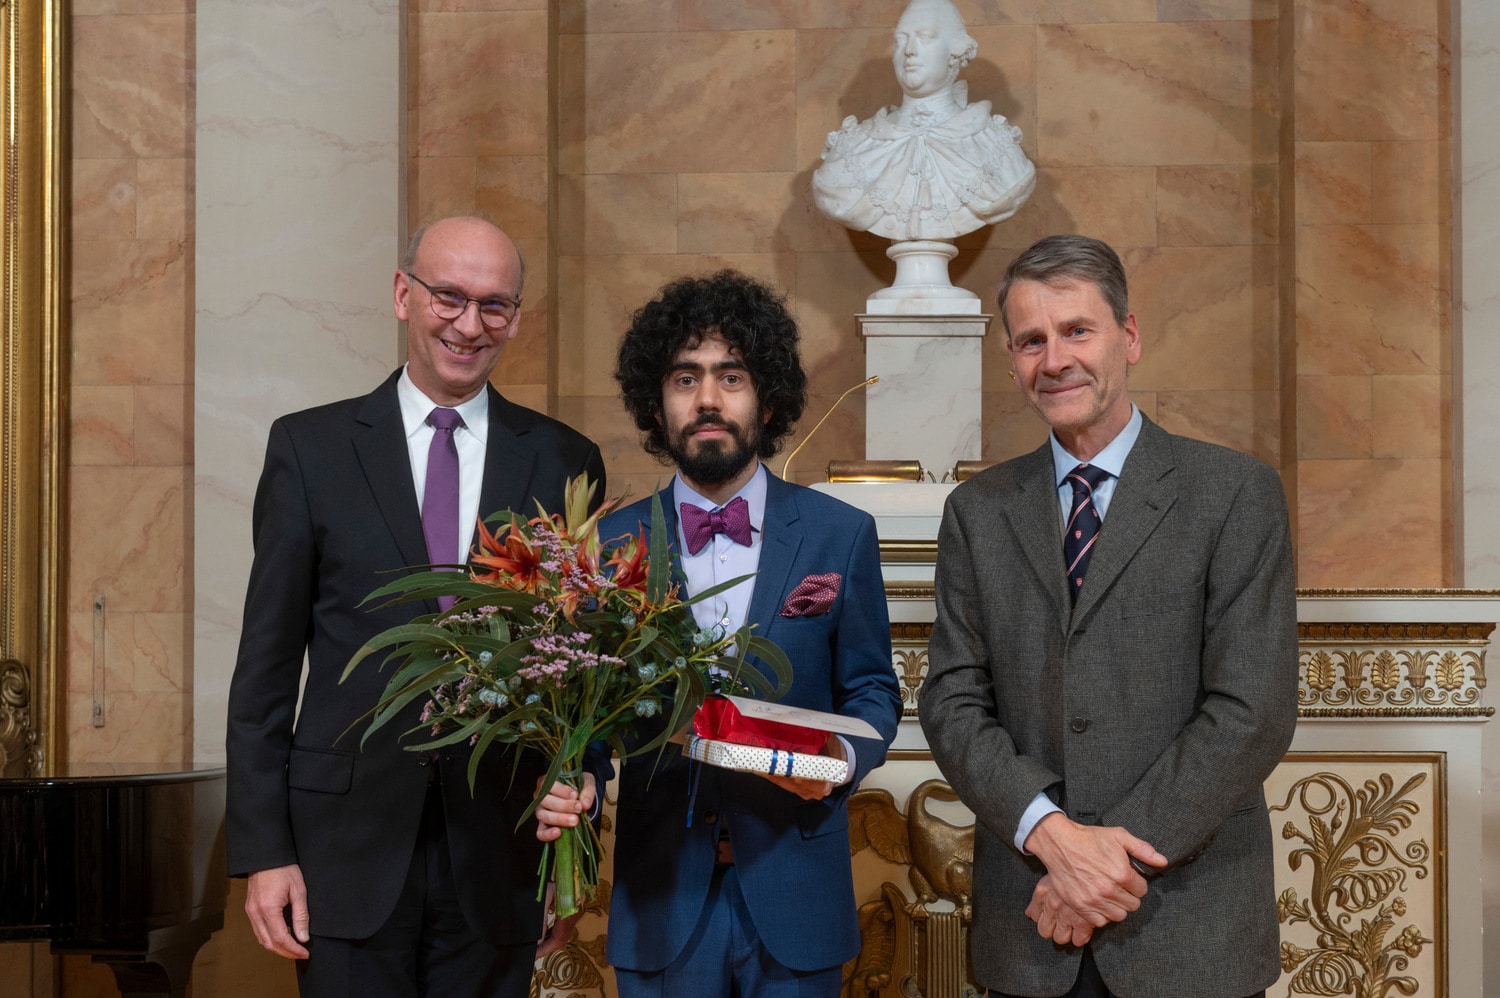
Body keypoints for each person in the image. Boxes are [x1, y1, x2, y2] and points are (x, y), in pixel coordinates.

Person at [226, 216, 606, 997]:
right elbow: (263, 670)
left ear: (517, 318)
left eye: (494, 305)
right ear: (404, 295)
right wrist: (264, 851)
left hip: (502, 854)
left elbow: (586, 672)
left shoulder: (564, 461)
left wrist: (578, 820)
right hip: (343, 854)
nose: (469, 325)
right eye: (449, 297)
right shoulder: (309, 450)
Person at [919, 235, 1298, 998]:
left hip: (1188, 931)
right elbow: (952, 703)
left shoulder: (1233, 494)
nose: (1054, 358)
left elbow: (1252, 709)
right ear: (1013, 360)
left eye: (1076, 331)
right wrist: (1050, 836)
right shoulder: (978, 512)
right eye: (1031, 340)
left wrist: (1100, 869)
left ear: (1128, 336)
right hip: (1032, 930)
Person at [536, 270, 903, 997]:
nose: (708, 399)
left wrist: (833, 761)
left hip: (799, 894)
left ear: (767, 398)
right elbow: (588, 721)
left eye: (730, 376)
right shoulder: (607, 545)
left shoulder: (841, 534)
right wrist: (575, 772)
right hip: (662, 900)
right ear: (657, 402)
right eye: (685, 378)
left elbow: (871, 690)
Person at [812, 0, 1035, 242]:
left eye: (925, 37)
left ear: (956, 52)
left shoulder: (997, 147)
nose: (909, 50)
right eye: (900, 40)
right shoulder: (853, 146)